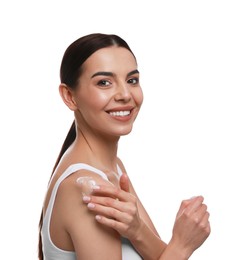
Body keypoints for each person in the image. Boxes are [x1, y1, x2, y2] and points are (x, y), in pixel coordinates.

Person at [38, 33, 210, 260]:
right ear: (69, 96)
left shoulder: (112, 168)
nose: (125, 95)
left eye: (132, 80)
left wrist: (137, 230)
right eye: (104, 82)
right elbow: (172, 254)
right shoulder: (86, 189)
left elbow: (159, 257)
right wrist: (182, 245)